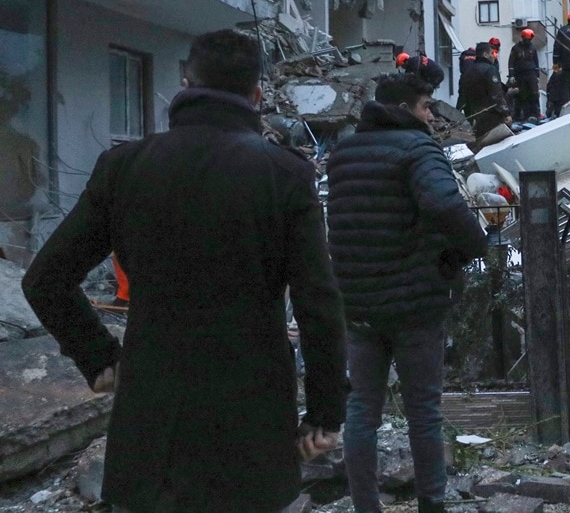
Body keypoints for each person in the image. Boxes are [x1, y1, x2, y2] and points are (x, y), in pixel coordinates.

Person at [22, 30, 347, 513]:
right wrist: (325, 412)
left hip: (153, 420)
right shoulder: (285, 174)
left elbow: (45, 279)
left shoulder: (124, 167)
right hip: (251, 420)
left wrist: (98, 357)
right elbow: (317, 302)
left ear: (186, 84)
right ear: (257, 96)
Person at [327, 73, 489, 513]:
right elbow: (444, 203)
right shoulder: (418, 149)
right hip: (415, 304)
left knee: (362, 409)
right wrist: (473, 246)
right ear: (403, 109)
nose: (431, 115)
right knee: (423, 411)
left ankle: (365, 505)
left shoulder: (342, 155)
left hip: (358, 303)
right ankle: (431, 503)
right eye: (425, 106)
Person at [459, 41, 511, 141]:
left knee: (479, 142)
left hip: (473, 114)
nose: (494, 56)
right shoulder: (490, 70)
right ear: (485, 54)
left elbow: (462, 94)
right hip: (490, 115)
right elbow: (496, 94)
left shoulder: (469, 71)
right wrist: (505, 113)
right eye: (492, 53)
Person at [507, 28, 541, 122]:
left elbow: (536, 62)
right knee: (522, 95)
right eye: (527, 39)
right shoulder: (516, 49)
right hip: (520, 75)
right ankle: (523, 116)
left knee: (534, 94)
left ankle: (535, 114)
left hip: (531, 74)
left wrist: (537, 76)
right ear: (523, 38)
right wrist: (511, 76)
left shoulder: (532, 48)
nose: (529, 41)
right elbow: (511, 63)